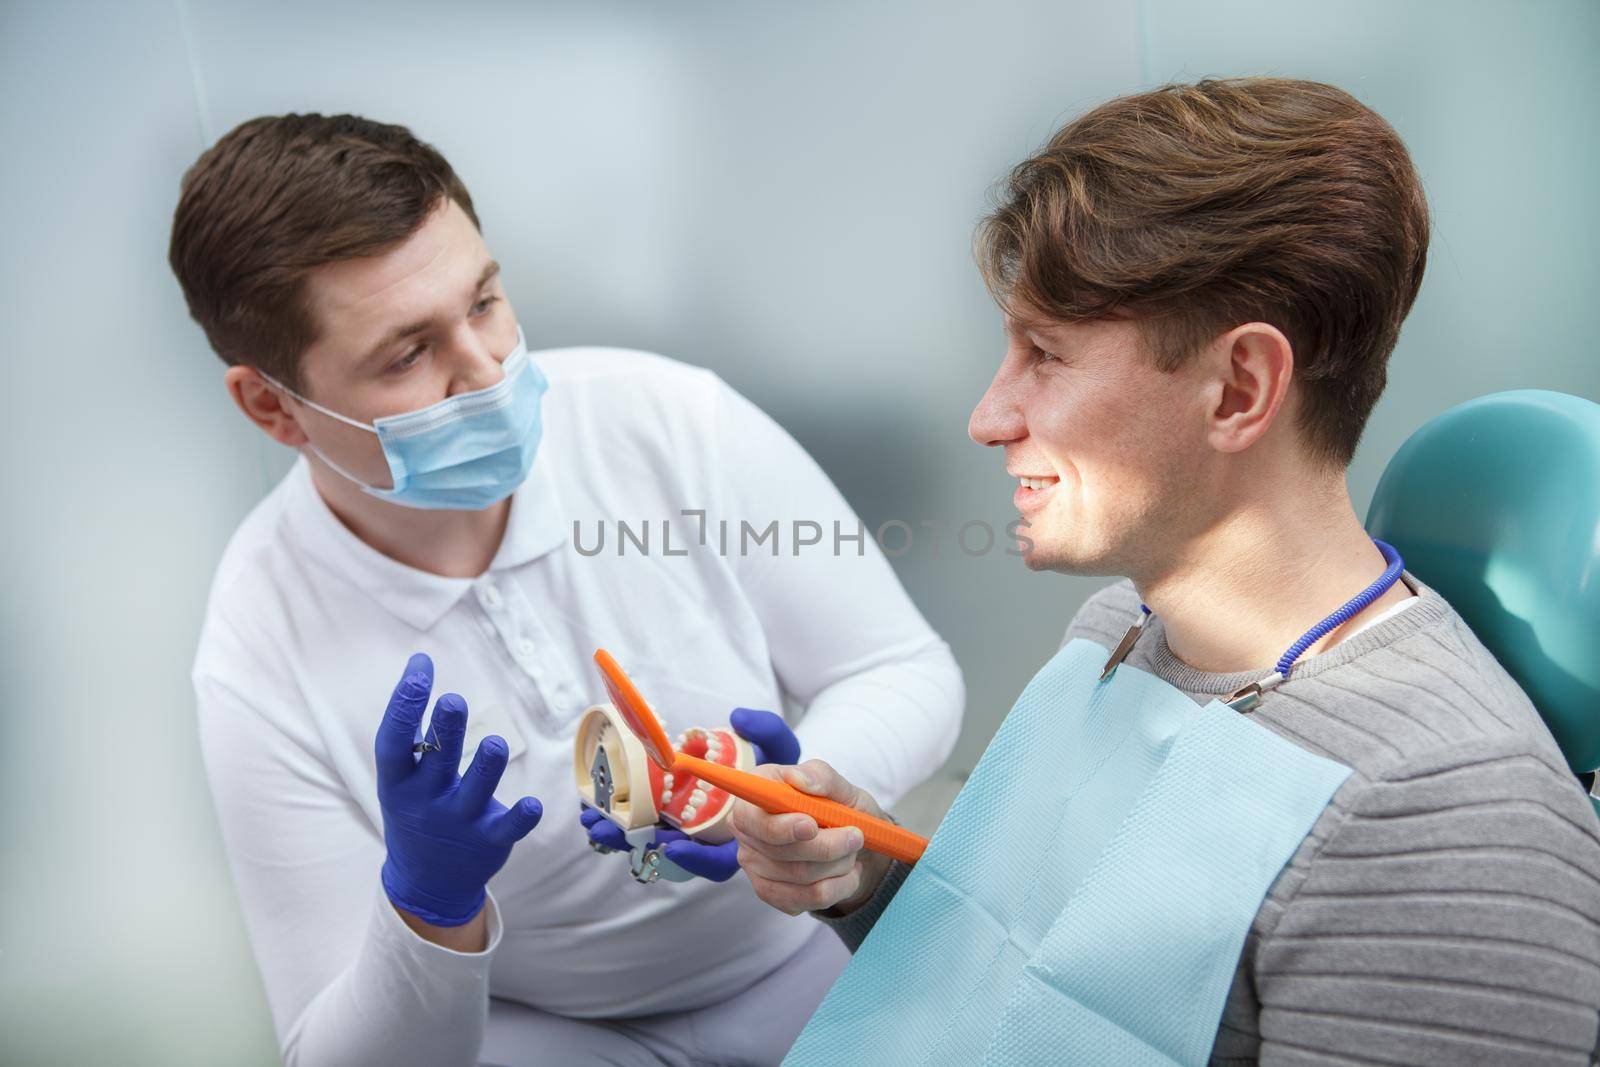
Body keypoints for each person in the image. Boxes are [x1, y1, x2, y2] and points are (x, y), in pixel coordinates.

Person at [730, 78, 1600, 1064]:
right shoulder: (1120, 632)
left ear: (1238, 388)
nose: (986, 417)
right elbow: (1010, 977)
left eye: (1045, 355)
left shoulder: (1443, 824)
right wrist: (863, 867)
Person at [171, 113, 964, 1067]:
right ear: (271, 404)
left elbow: (902, 666)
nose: (490, 369)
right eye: (408, 353)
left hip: (811, 955)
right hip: (553, 1035)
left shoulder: (668, 422)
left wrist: (789, 802)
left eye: (486, 301)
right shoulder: (260, 649)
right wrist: (427, 915)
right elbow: (333, 1056)